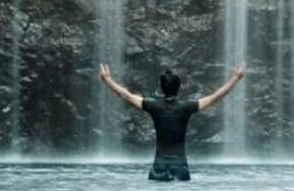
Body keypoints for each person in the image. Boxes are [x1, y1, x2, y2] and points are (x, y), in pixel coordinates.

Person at [98, 63, 246, 181]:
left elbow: (127, 96)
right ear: (179, 87)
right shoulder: (186, 107)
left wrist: (107, 80)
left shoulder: (154, 106)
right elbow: (215, 97)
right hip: (181, 168)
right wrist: (235, 79)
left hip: (158, 168)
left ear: (161, 88)